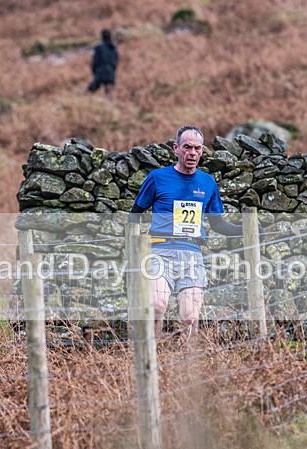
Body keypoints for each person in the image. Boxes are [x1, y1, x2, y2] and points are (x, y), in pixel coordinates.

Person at [129, 125, 244, 336]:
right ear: (176, 148)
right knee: (157, 305)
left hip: (192, 254)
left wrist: (246, 230)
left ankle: (186, 364)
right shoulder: (157, 177)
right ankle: (152, 359)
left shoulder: (207, 183)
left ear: (202, 151)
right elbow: (134, 214)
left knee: (190, 317)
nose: (192, 153)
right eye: (187, 147)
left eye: (197, 148)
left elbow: (218, 224)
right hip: (160, 252)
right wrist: (136, 247)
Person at [87, 29, 118, 98]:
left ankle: (83, 101)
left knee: (89, 91)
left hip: (100, 73)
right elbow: (115, 63)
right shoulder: (114, 49)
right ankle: (109, 106)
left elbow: (95, 62)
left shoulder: (98, 48)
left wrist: (95, 73)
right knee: (108, 94)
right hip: (111, 74)